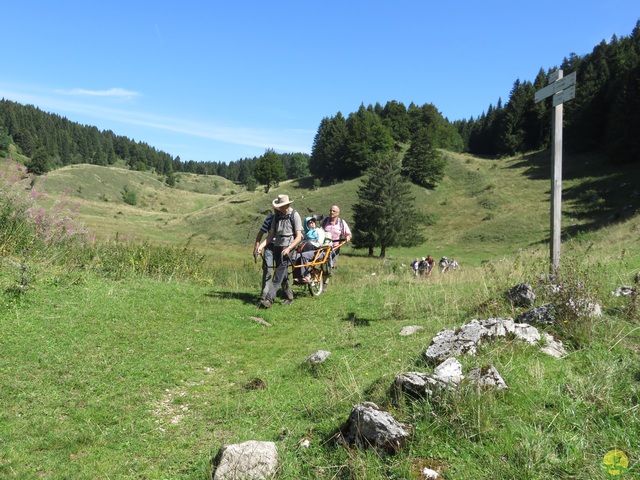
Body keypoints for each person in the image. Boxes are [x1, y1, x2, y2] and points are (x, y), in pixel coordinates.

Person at [256, 194, 303, 308]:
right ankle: (289, 297)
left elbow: (299, 237)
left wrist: (289, 248)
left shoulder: (295, 215)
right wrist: (261, 246)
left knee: (278, 273)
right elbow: (271, 235)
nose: (279, 208)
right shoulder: (276, 217)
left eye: (281, 206)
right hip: (277, 247)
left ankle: (269, 299)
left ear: (287, 205)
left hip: (288, 247)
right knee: (283, 273)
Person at [253, 209, 291, 303]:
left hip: (282, 247)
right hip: (270, 247)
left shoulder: (288, 219)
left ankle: (288, 296)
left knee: (282, 272)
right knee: (267, 269)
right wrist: (257, 245)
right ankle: (264, 295)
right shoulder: (269, 219)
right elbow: (261, 232)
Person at [321, 205, 352, 289]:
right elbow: (319, 231)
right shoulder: (325, 221)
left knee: (331, 266)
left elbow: (348, 233)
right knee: (323, 264)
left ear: (338, 213)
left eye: (334, 211)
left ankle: (325, 284)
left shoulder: (341, 223)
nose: (331, 212)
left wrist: (348, 237)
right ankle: (321, 281)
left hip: (335, 248)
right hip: (324, 247)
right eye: (331, 210)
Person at [293, 216, 326, 283]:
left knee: (303, 256)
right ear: (306, 225)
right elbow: (299, 239)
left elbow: (320, 243)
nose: (312, 223)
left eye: (313, 221)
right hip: (306, 251)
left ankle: (306, 276)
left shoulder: (319, 231)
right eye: (310, 222)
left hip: (317, 252)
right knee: (294, 257)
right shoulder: (305, 234)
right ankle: (297, 277)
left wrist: (309, 244)